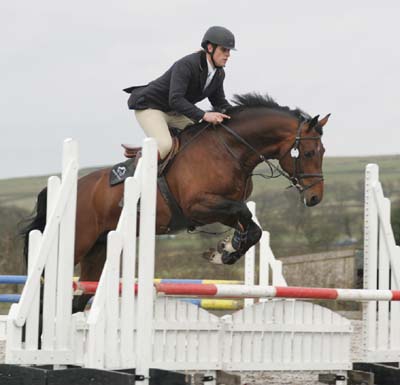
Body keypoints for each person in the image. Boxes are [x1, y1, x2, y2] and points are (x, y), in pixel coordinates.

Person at [123, 26, 235, 161]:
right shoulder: (187, 64)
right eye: (224, 50)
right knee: (165, 145)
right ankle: (140, 173)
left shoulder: (219, 74)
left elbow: (219, 102)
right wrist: (204, 115)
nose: (228, 54)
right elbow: (175, 99)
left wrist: (238, 116)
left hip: (175, 113)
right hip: (150, 107)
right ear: (210, 48)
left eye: (228, 50)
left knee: (200, 139)